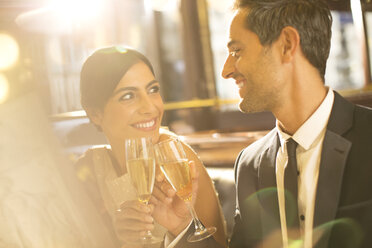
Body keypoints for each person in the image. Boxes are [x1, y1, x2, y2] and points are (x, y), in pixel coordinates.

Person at [153, 0, 372, 247]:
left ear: (287, 45)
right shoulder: (250, 164)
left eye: (237, 51)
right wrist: (182, 226)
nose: (226, 70)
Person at [76, 46, 227, 247]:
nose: (150, 108)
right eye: (128, 96)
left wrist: (181, 227)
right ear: (95, 114)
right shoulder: (90, 170)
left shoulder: (175, 158)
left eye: (153, 90)